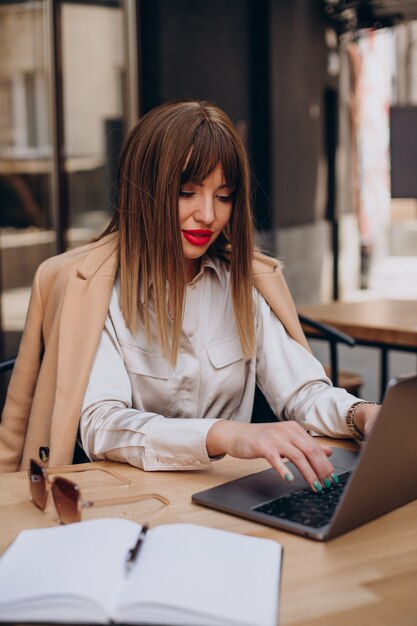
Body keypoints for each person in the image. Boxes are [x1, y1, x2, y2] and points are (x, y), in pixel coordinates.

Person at [0, 100, 380, 490]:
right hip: (129, 500)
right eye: (186, 192)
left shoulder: (245, 283)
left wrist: (361, 414)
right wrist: (226, 435)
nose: (208, 215)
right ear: (144, 189)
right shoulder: (94, 288)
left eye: (224, 195)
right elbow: (103, 424)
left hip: (225, 496)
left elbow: (303, 393)